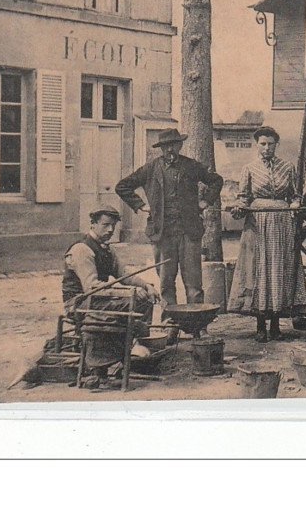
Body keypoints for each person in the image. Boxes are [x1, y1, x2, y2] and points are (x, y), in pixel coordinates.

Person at [115, 128, 223, 306]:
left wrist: (205, 201)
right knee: (166, 283)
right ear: (161, 148)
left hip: (189, 233)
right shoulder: (150, 168)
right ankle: (170, 323)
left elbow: (216, 180)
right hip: (162, 234)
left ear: (180, 145)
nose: (169, 150)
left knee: (194, 283)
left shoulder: (191, 166)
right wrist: (141, 205)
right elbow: (122, 186)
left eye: (173, 145)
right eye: (165, 147)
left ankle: (196, 325)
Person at [226, 126, 306, 342]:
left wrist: (295, 204)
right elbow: (243, 197)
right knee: (260, 270)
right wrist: (239, 208)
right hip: (258, 225)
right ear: (257, 144)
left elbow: (295, 195)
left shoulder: (288, 168)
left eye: (270, 144)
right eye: (263, 143)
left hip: (281, 224)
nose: (267, 147)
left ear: (276, 145)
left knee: (278, 270)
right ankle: (261, 325)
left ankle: (276, 326)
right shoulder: (249, 169)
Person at [62, 206, 159, 386]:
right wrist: (130, 293)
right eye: (105, 225)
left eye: (113, 226)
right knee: (134, 300)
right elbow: (93, 287)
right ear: (93, 224)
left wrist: (146, 285)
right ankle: (123, 351)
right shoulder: (82, 250)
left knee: (145, 298)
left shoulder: (106, 249)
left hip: (97, 300)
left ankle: (132, 349)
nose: (110, 230)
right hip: (79, 303)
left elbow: (123, 274)